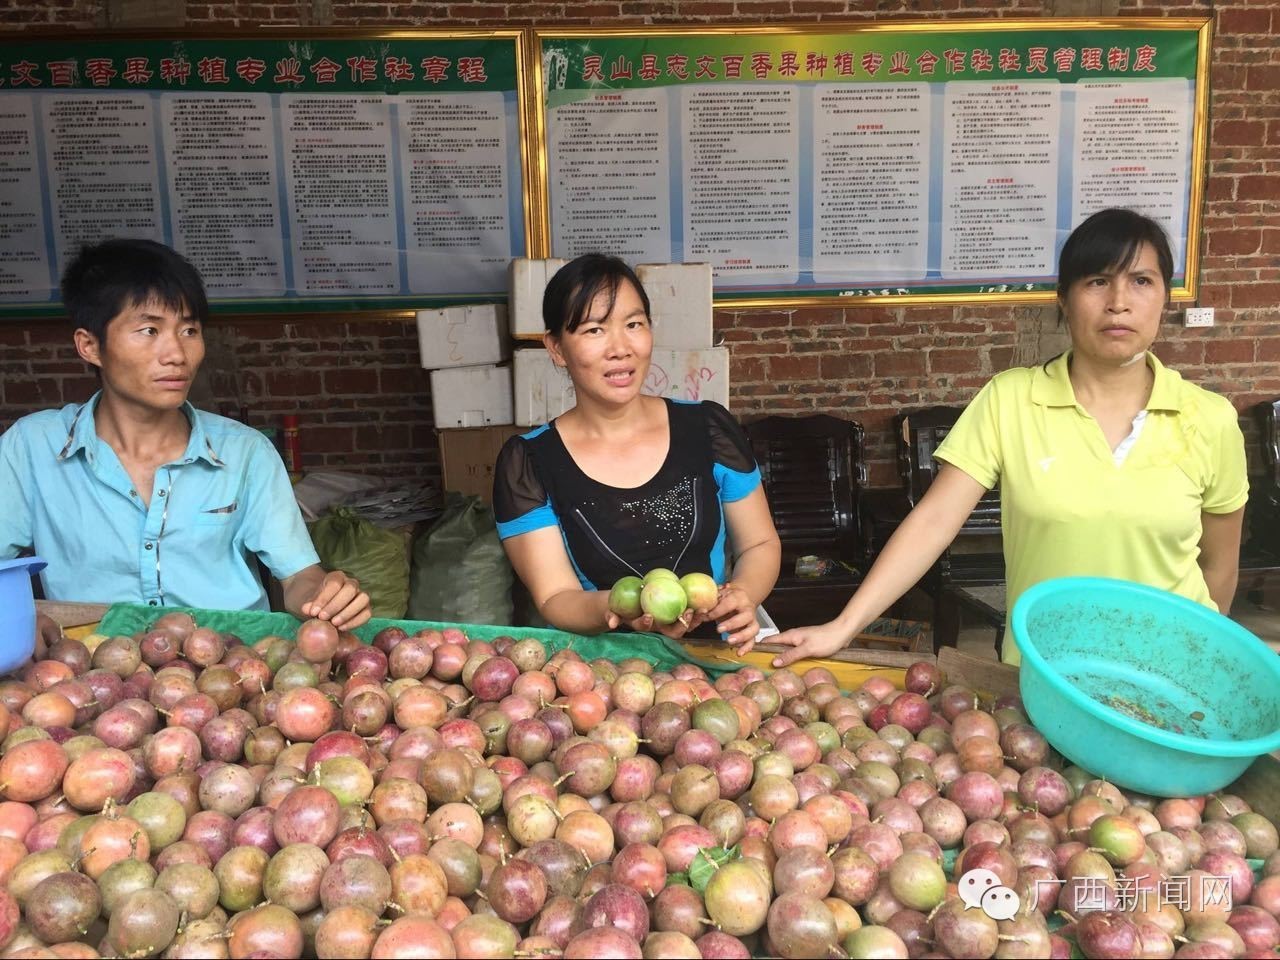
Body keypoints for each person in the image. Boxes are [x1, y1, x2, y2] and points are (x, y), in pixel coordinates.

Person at [766, 208, 1249, 668]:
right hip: (1047, 674)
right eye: (1097, 280)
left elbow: (1219, 569)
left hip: (1169, 675)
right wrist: (844, 626)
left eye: (1141, 281)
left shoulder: (1208, 418)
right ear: (1063, 297)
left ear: (1166, 295)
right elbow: (934, 522)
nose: (1118, 301)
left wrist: (1200, 669)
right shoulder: (1012, 400)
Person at [0, 238, 372, 657]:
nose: (176, 353)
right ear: (90, 346)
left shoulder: (245, 453)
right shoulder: (31, 448)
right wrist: (25, 614)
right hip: (92, 675)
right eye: (149, 330)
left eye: (189, 330)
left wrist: (326, 595)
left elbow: (298, 577)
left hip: (233, 673)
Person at [493, 253, 781, 651]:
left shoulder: (708, 428)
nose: (620, 348)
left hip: (720, 652)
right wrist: (614, 607)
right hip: (611, 674)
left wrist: (744, 594)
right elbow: (555, 597)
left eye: (633, 324)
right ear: (556, 348)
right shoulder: (529, 463)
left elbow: (759, 544)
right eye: (595, 330)